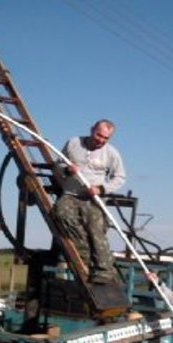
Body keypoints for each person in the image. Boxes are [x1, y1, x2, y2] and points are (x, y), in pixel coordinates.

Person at [53, 119, 126, 284]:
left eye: (106, 138)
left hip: (94, 198)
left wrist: (101, 189)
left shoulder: (111, 153)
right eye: (99, 135)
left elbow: (120, 177)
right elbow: (57, 164)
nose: (101, 140)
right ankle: (85, 255)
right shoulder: (73, 143)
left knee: (96, 228)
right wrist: (67, 169)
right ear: (92, 129)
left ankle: (104, 271)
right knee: (61, 212)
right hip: (71, 194)